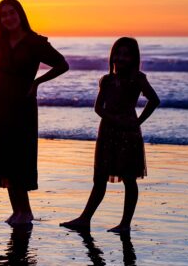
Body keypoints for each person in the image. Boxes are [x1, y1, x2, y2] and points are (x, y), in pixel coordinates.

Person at [0, 0, 69, 225]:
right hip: (1, 101)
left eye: (12, 13)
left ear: (21, 14)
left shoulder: (35, 42)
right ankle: (16, 210)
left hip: (23, 103)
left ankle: (25, 211)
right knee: (4, 155)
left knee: (20, 155)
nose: (8, 18)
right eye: (3, 14)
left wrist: (37, 83)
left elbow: (62, 65)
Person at [61, 37, 159, 235]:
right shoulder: (107, 80)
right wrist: (113, 119)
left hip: (128, 134)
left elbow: (154, 100)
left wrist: (137, 122)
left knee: (129, 179)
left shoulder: (138, 78)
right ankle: (84, 218)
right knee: (99, 178)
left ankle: (125, 224)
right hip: (107, 132)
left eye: (126, 54)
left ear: (133, 58)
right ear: (112, 55)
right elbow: (97, 107)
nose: (121, 58)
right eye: (118, 53)